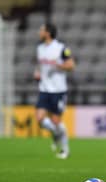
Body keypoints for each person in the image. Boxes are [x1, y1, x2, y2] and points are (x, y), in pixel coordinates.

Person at [34, 23, 75, 159]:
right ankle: (56, 134)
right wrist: (38, 72)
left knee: (56, 121)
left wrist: (58, 65)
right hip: (44, 89)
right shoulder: (39, 48)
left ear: (48, 32)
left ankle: (65, 149)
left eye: (41, 29)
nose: (39, 31)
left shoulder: (60, 48)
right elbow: (40, 65)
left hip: (58, 90)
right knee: (39, 119)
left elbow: (71, 65)